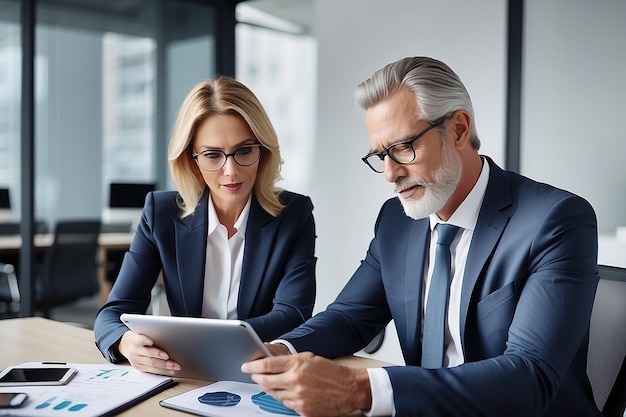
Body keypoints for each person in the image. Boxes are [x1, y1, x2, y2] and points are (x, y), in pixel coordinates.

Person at [242, 56, 601, 417]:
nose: (389, 173)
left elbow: (530, 376)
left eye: (402, 147)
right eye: (380, 155)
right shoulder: (396, 223)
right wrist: (279, 350)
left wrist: (359, 389)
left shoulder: (556, 220)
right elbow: (350, 318)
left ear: (459, 129)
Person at [94, 77, 317, 376]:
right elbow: (112, 313)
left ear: (262, 150)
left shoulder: (294, 214)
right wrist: (125, 343)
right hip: (185, 373)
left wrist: (210, 341)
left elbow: (293, 313)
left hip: (258, 374)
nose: (231, 170)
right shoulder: (160, 213)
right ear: (192, 159)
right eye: (213, 155)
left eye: (244, 150)